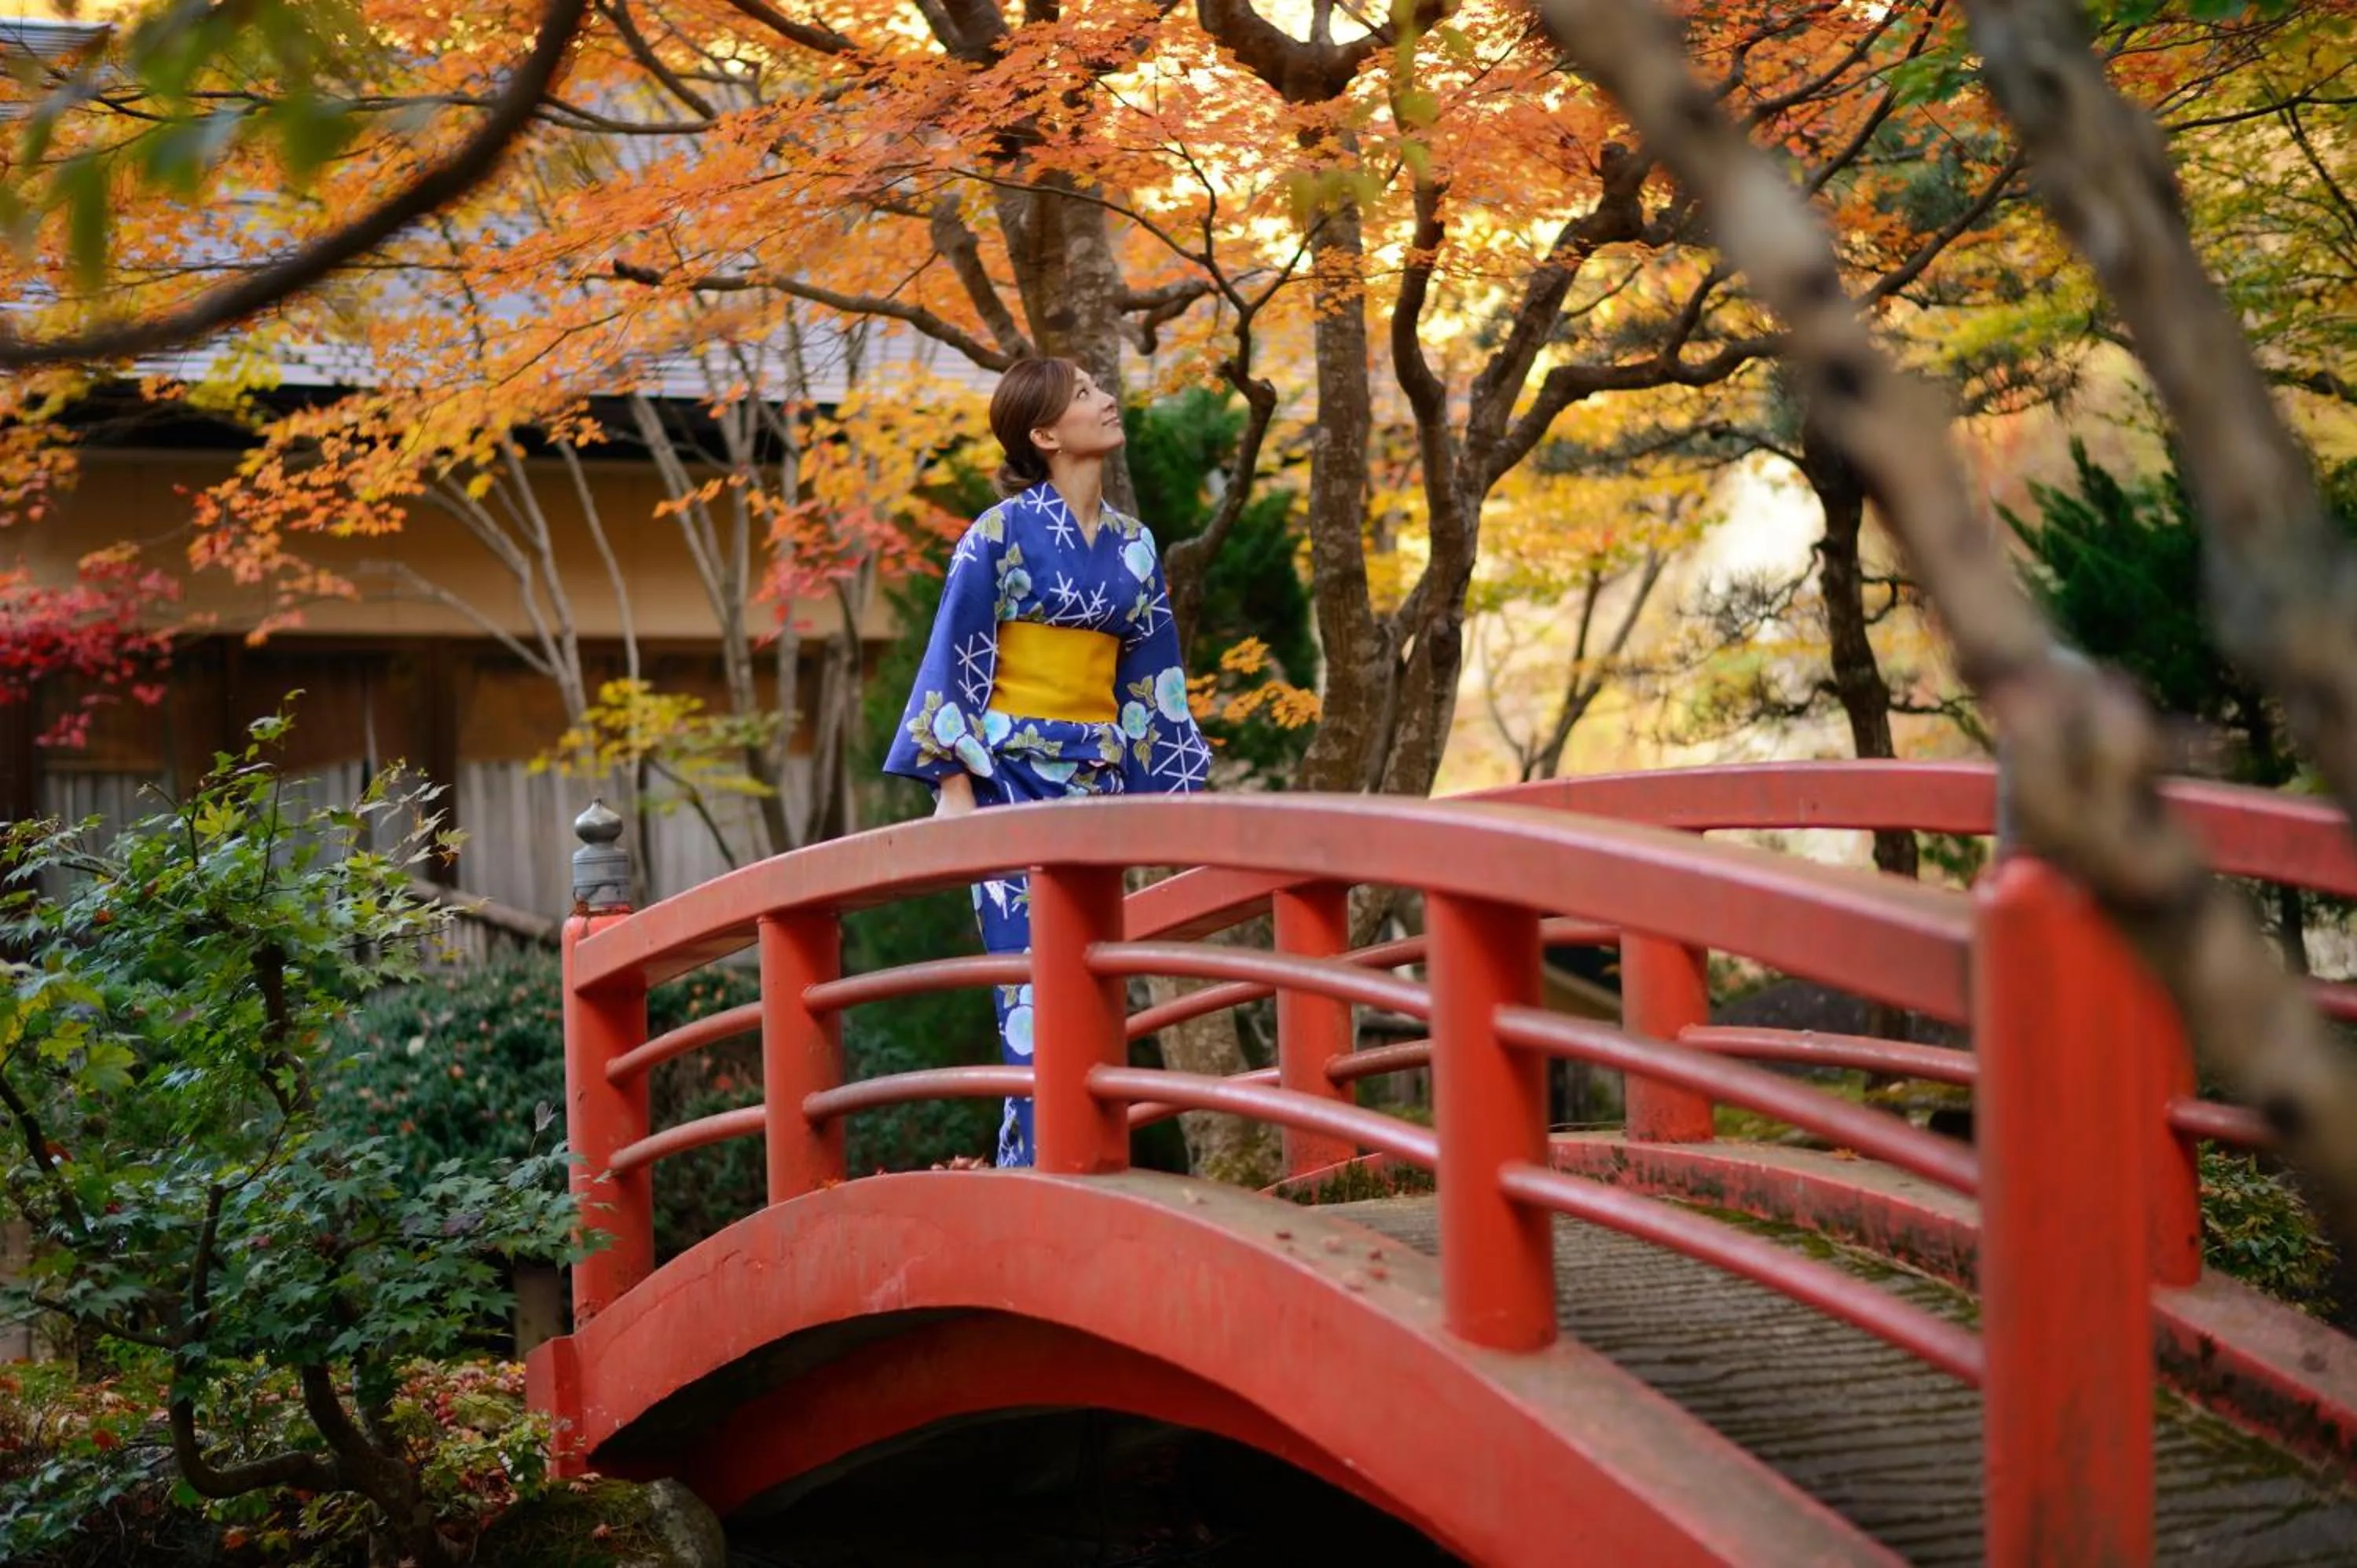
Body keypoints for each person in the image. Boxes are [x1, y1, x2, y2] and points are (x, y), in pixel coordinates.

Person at [883, 357, 1210, 1167]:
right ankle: (1041, 1164)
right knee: (1030, 985)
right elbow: (954, 657)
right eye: (1086, 395)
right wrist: (952, 786)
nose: (1106, 401)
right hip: (1008, 782)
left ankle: (1056, 1158)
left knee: (1091, 980)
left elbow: (1152, 679)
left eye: (1102, 388)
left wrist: (1167, 792)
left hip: (1097, 779)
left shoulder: (1135, 546)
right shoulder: (996, 534)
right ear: (1044, 432)